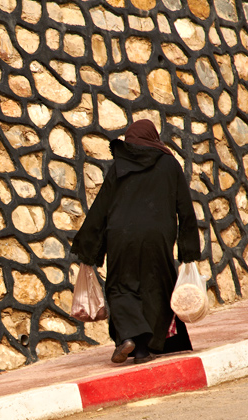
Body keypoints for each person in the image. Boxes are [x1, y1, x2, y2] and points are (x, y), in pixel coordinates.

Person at [70, 120, 201, 364]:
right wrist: (189, 251)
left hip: (121, 236)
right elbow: (184, 207)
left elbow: (101, 209)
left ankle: (130, 338)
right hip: (157, 238)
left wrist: (89, 250)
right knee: (155, 288)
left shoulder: (119, 165)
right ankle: (143, 350)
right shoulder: (169, 164)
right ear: (153, 138)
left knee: (121, 288)